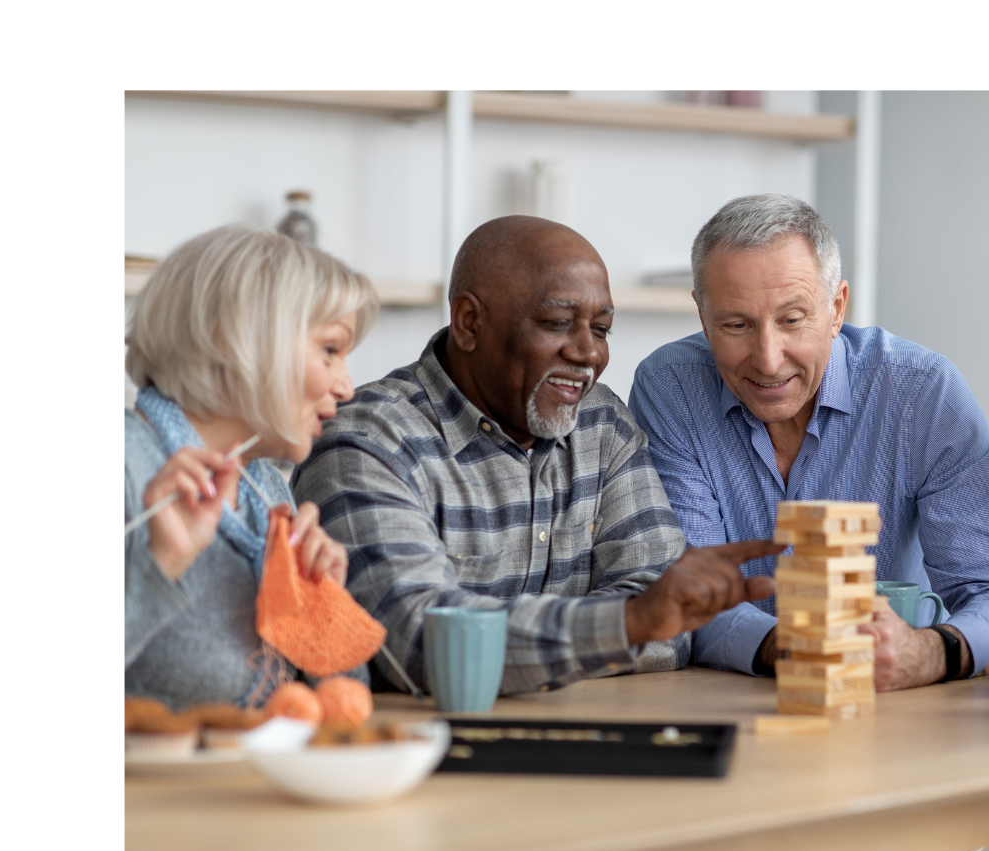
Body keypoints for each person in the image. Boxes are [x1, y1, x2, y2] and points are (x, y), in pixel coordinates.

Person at [628, 193, 989, 851]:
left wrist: (926, 653)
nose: (766, 357)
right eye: (734, 325)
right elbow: (684, 592)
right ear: (699, 314)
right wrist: (802, 648)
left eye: (792, 320)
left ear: (836, 304)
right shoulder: (668, 386)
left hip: (883, 736)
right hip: (725, 727)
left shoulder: (922, 394)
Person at [292, 216, 777, 697]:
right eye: (556, 323)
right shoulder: (367, 440)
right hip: (423, 752)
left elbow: (672, 631)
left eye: (602, 329)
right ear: (469, 322)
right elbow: (417, 643)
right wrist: (626, 624)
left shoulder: (601, 423)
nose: (588, 353)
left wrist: (635, 623)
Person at [126, 223, 377, 708]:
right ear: (239, 338)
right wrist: (162, 564)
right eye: (330, 350)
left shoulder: (265, 486)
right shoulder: (123, 461)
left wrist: (319, 604)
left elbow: (343, 707)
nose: (346, 386)